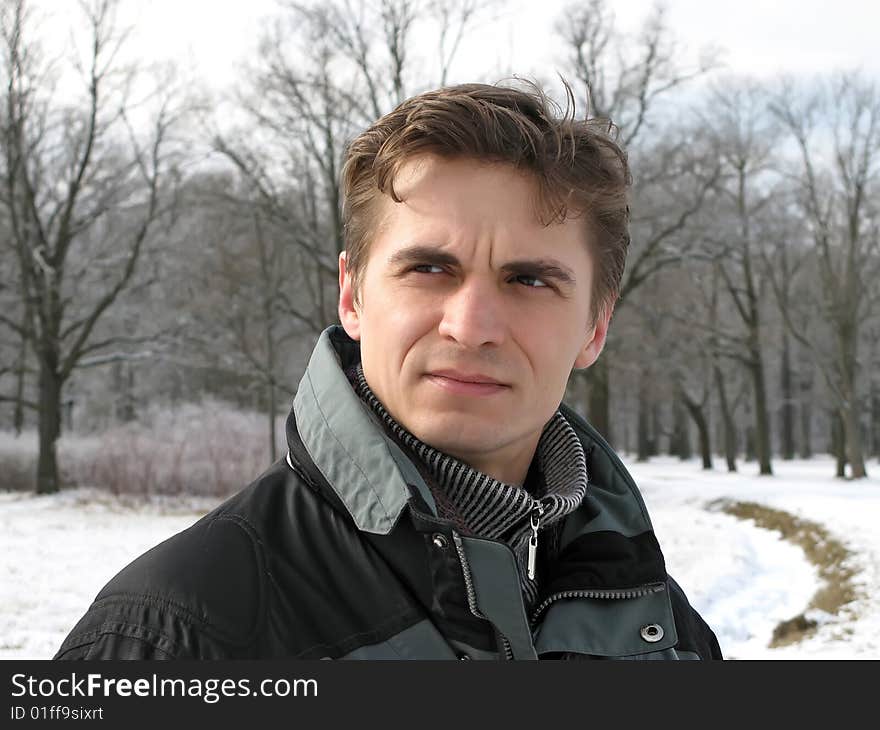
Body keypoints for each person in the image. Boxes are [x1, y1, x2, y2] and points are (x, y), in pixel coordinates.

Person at [55, 81, 722, 660]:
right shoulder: (173, 637)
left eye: (529, 280)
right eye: (430, 268)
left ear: (595, 327)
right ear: (352, 295)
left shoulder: (667, 635)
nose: (471, 325)